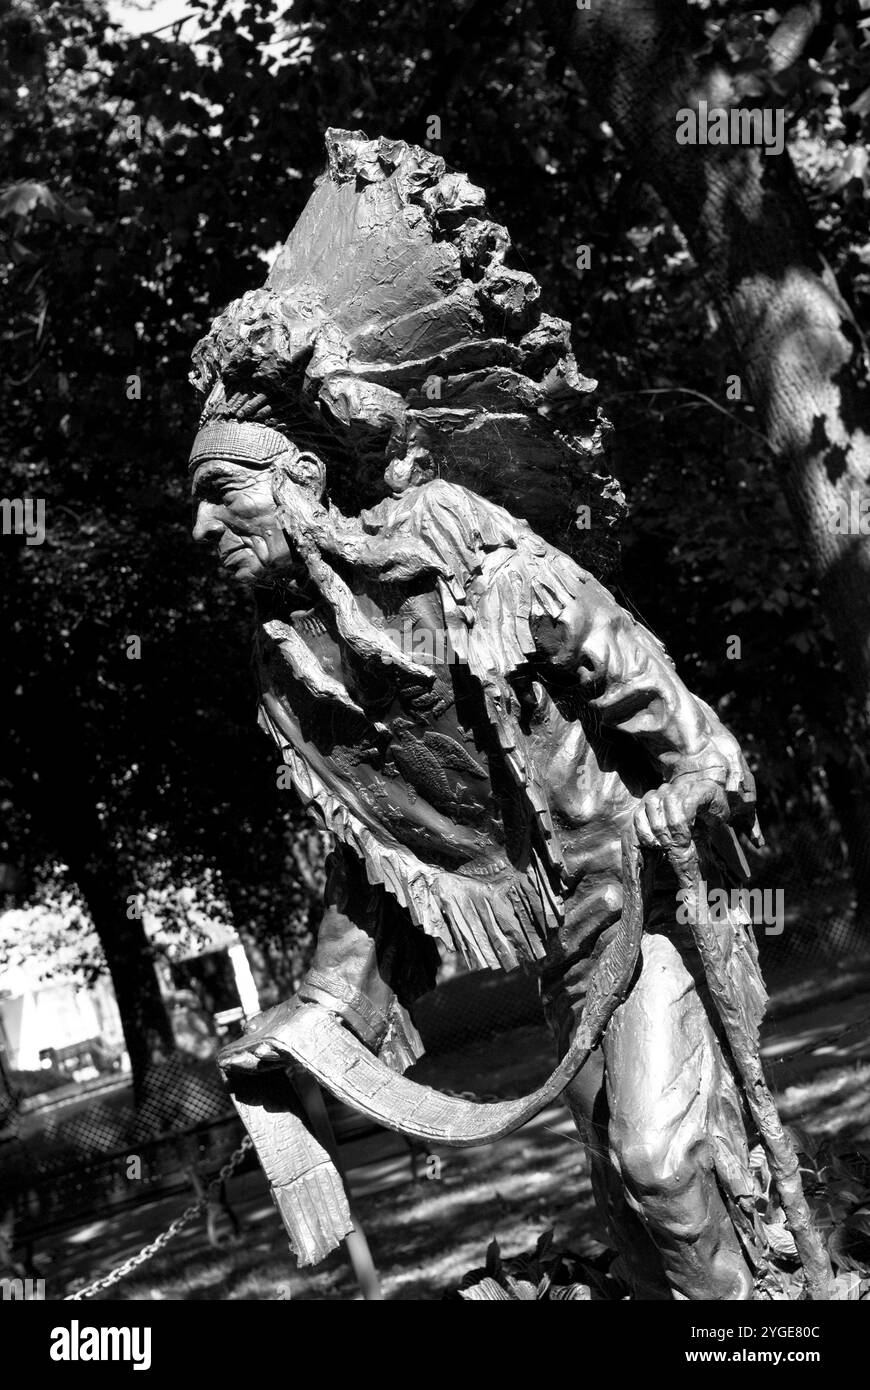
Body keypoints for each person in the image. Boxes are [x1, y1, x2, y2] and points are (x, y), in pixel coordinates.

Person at [188, 129, 768, 1298]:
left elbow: (673, 712)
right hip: (562, 955)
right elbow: (387, 865)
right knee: (627, 1194)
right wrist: (311, 1020)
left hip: (641, 907)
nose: (202, 530)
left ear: (300, 478)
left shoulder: (461, 545)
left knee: (659, 1166)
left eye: (221, 492)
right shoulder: (296, 665)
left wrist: (688, 785)